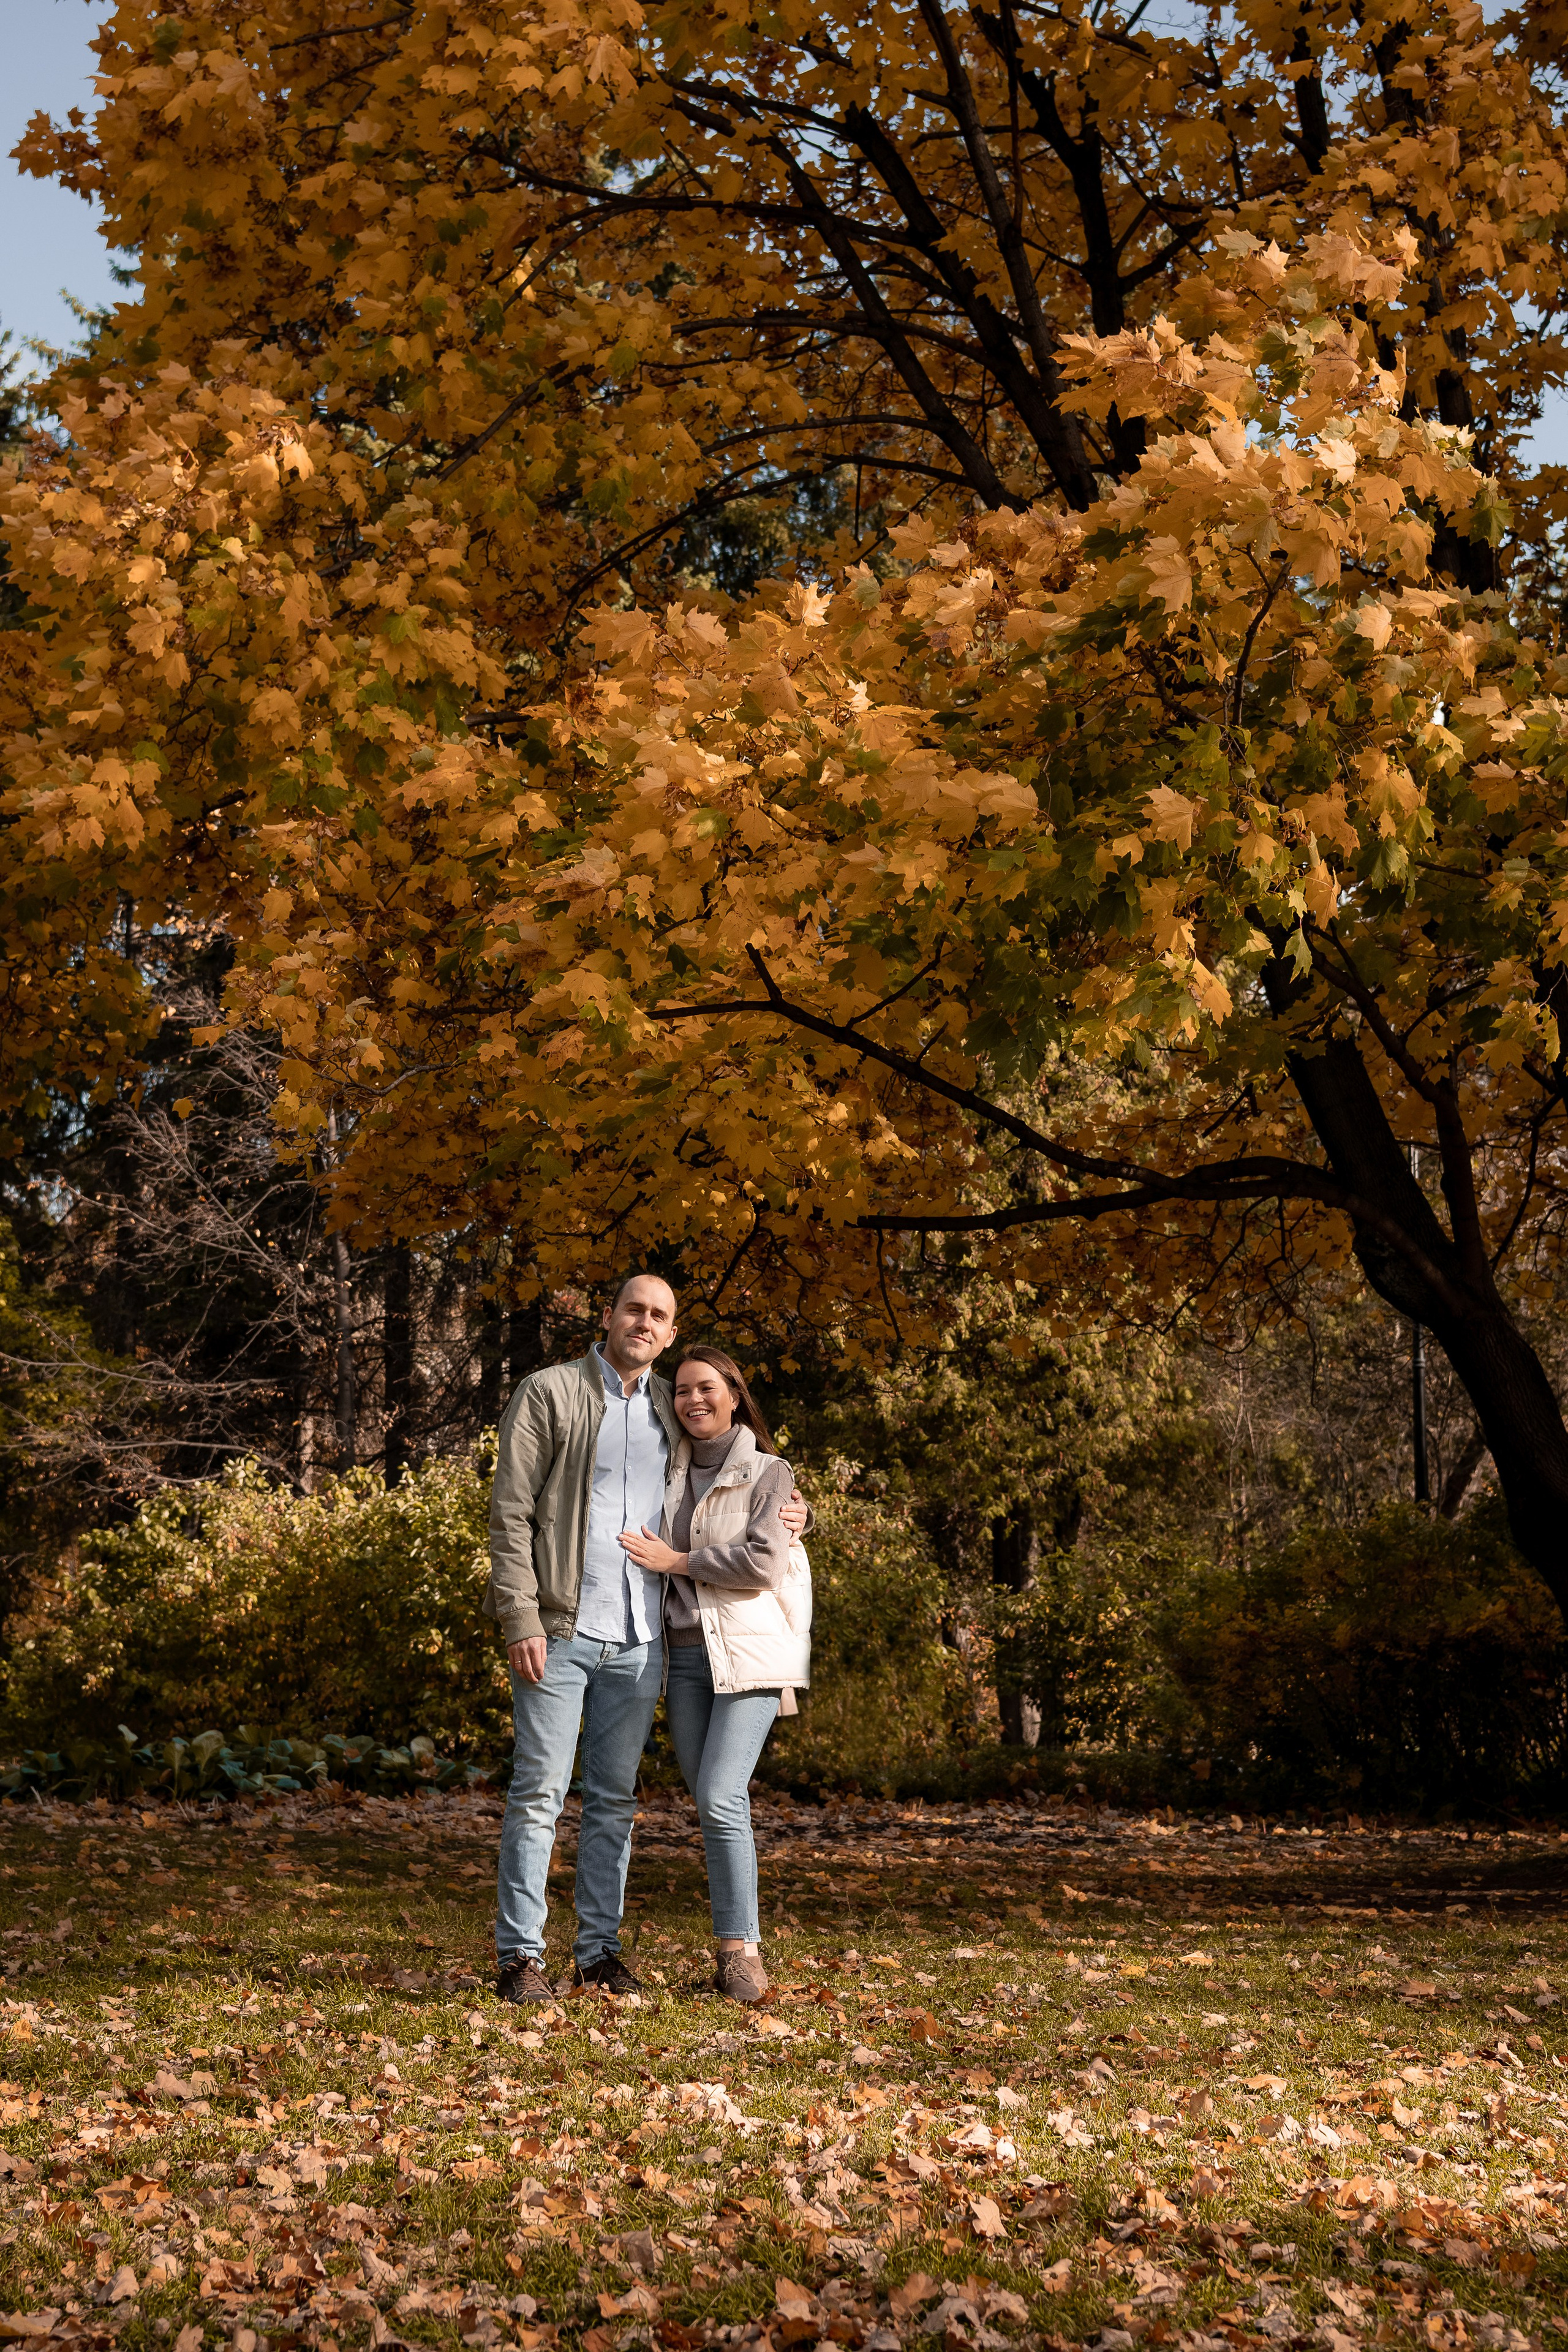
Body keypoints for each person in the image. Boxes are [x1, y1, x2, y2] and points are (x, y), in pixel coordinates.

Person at [484, 1276, 809, 2002]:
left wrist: (796, 1511)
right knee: (538, 1793)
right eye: (634, 1309)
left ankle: (597, 1954)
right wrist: (520, 1615)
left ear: (669, 1334)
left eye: (659, 1316)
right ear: (608, 1317)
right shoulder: (551, 1392)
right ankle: (520, 1959)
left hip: (640, 1639)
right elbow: (510, 1513)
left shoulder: (671, 1403)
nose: (645, 1322)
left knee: (613, 1802)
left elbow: (740, 1473)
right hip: (560, 1629)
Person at [619, 1344, 812, 2005]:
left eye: (707, 1388)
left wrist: (676, 1561)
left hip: (748, 1653)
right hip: (683, 1658)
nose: (693, 1400)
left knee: (723, 1795)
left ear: (734, 1394)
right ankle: (739, 1946)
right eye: (682, 1391)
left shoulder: (769, 1472)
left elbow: (762, 1563)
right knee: (710, 1801)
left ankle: (738, 1954)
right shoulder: (666, 1469)